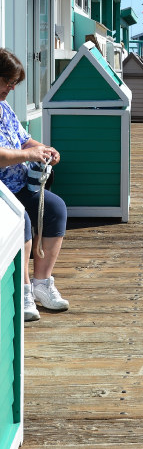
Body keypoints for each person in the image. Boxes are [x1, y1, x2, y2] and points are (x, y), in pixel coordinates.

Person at [0, 48, 69, 321]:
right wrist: (28, 155)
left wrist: (44, 149)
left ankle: (42, 283)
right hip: (3, 195)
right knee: (24, 222)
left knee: (55, 209)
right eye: (8, 81)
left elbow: (24, 140)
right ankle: (25, 290)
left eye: (14, 83)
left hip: (20, 189)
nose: (11, 87)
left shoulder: (4, 108)